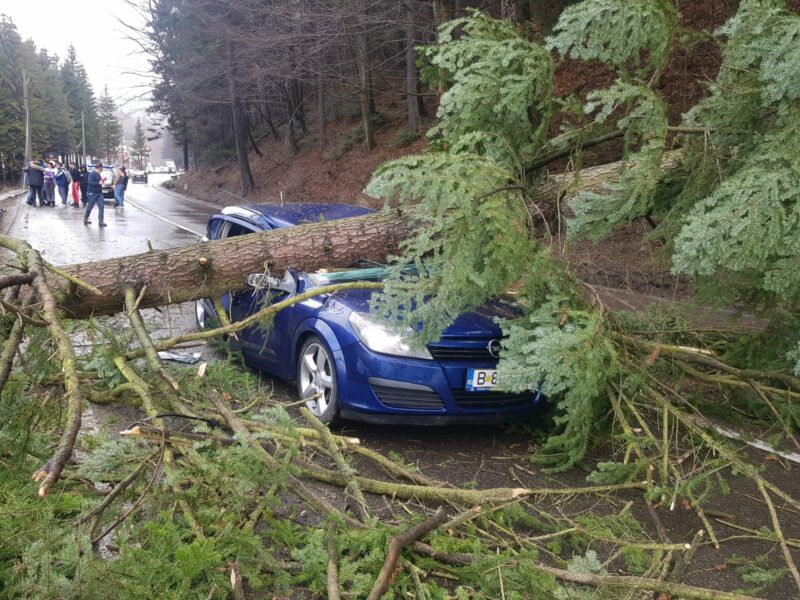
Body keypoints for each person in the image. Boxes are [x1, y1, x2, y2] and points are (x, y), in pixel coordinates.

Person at [83, 161, 107, 227]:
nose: (102, 169)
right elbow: (90, 182)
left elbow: (98, 182)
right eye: (102, 168)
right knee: (90, 207)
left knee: (101, 207)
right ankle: (85, 218)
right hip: (92, 193)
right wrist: (98, 183)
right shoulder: (92, 174)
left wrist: (101, 182)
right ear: (99, 168)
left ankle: (101, 221)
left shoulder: (98, 174)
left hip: (99, 193)